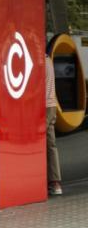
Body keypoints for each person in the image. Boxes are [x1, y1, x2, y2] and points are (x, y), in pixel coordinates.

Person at [45, 54, 62, 195]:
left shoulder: (39, 63)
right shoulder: (48, 59)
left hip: (43, 107)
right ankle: (55, 183)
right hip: (51, 105)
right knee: (51, 145)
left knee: (37, 143)